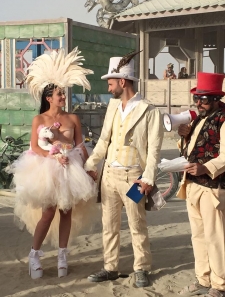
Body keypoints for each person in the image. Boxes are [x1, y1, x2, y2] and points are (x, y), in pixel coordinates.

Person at [11, 48, 97, 279]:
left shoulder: (73, 118)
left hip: (71, 168)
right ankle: (34, 254)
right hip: (46, 168)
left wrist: (90, 168)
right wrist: (53, 155)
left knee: (66, 212)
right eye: (59, 94)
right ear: (49, 98)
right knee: (48, 213)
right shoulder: (39, 119)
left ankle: (62, 254)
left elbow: (79, 146)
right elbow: (35, 147)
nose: (63, 97)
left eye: (63, 93)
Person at [84, 51, 164, 287]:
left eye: (110, 83)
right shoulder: (112, 107)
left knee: (137, 225)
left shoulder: (149, 110)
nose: (108, 88)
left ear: (122, 81)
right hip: (109, 175)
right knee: (108, 226)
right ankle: (110, 267)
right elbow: (103, 141)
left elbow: (154, 150)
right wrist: (90, 164)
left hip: (134, 177)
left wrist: (148, 178)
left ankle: (141, 268)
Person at [177, 72, 225, 297]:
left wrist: (206, 168)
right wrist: (184, 136)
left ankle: (219, 285)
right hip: (193, 184)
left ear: (216, 98)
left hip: (213, 188)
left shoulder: (223, 117)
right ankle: (203, 279)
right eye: (197, 98)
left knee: (215, 237)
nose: (199, 103)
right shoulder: (198, 117)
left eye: (204, 99)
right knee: (198, 235)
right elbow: (189, 148)